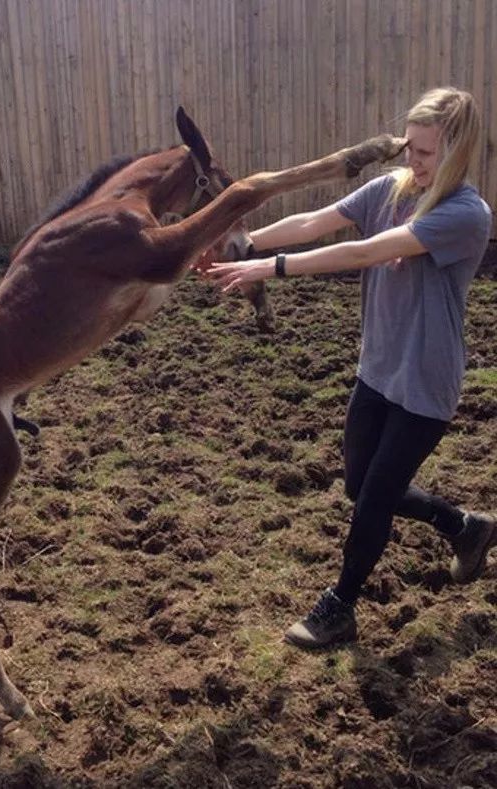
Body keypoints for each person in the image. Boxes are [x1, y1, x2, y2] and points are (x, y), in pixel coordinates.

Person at [204, 87, 495, 649]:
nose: (413, 160)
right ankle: (466, 527)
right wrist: (241, 246)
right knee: (359, 486)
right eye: (410, 147)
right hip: (378, 369)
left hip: (425, 384)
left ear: (457, 152)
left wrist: (271, 269)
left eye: (427, 154)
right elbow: (317, 221)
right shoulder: (389, 188)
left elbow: (364, 252)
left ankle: (339, 607)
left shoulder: (464, 214)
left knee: (376, 500)